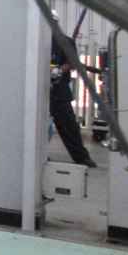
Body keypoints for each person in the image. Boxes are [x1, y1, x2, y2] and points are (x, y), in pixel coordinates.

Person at [50, 36, 96, 167]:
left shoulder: (65, 41)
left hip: (58, 90)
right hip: (36, 90)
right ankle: (37, 154)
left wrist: (59, 70)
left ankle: (81, 157)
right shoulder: (34, 36)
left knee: (69, 125)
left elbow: (73, 62)